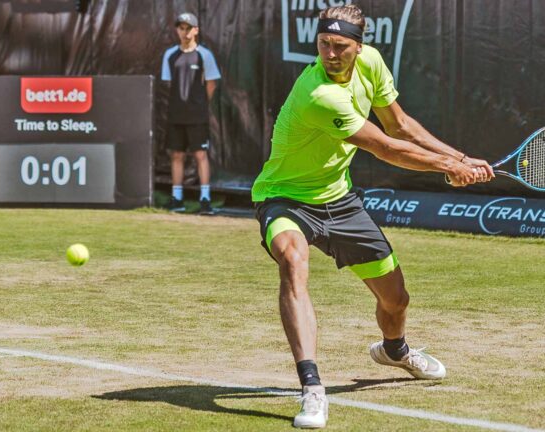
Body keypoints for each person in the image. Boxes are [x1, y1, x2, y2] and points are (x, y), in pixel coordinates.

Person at [251, 5, 494, 429]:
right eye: (324, 44)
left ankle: (395, 350)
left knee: (395, 299)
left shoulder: (372, 64)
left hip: (340, 200)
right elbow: (385, 148)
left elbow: (399, 125)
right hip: (284, 198)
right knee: (293, 261)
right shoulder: (319, 94)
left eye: (340, 46)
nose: (330, 53)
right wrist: (448, 168)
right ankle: (312, 388)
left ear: (358, 46)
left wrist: (459, 157)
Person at [161, 12, 221, 215]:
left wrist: (199, 105)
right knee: (176, 155)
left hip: (198, 116)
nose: (184, 32)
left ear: (196, 30)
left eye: (189, 28)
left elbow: (211, 84)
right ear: (177, 30)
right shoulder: (170, 55)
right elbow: (169, 83)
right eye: (181, 28)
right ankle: (177, 198)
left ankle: (205, 199)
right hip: (175, 115)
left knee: (200, 155)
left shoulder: (205, 55)